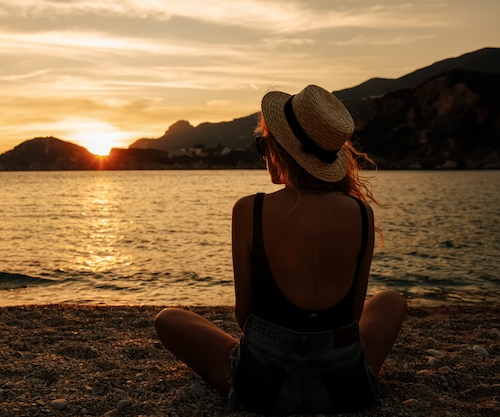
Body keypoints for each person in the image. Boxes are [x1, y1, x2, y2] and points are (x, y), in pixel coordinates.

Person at [154, 84, 407, 414]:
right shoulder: (361, 213)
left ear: (278, 150)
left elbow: (244, 315)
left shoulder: (250, 210)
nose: (264, 154)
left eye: (263, 144)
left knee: (167, 319)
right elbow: (354, 315)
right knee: (392, 301)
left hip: (264, 386)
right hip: (343, 386)